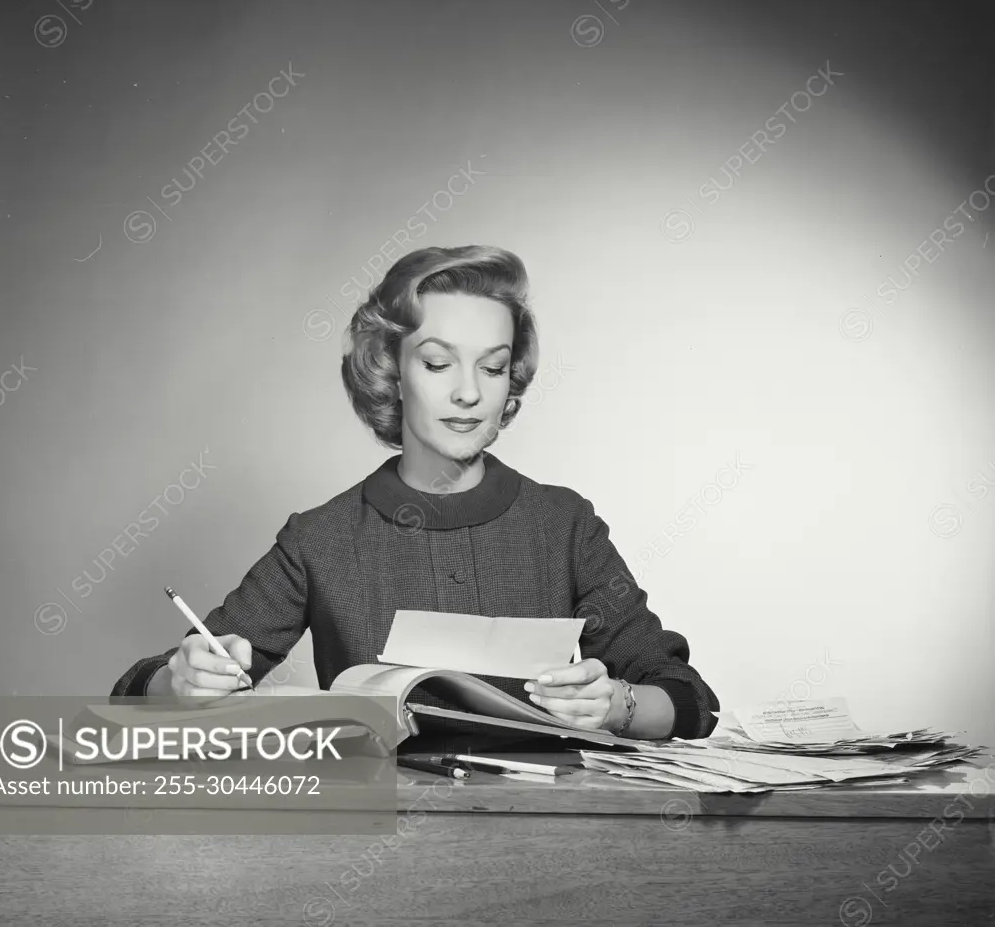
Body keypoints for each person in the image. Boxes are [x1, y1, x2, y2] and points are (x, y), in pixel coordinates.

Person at [111, 245, 719, 741]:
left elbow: (692, 700)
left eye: (491, 366)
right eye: (437, 363)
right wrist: (179, 682)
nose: (468, 394)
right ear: (390, 370)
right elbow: (140, 693)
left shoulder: (564, 525)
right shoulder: (321, 538)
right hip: (380, 846)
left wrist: (620, 707)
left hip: (551, 840)